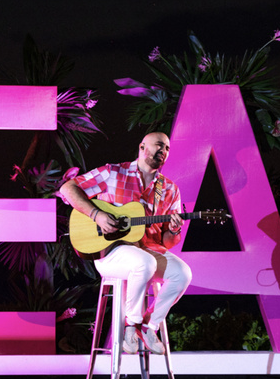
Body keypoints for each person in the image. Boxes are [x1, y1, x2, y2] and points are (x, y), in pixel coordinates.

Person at [60, 131, 192, 354]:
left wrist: (174, 228)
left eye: (167, 148)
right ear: (142, 147)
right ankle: (130, 326)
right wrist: (96, 215)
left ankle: (149, 327)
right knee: (145, 262)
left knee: (183, 273)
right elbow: (67, 189)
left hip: (148, 250)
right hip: (111, 252)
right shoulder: (113, 173)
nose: (163, 150)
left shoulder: (169, 189)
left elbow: (167, 242)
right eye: (159, 145)